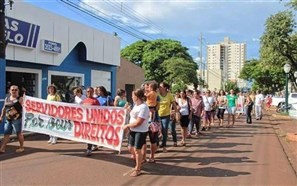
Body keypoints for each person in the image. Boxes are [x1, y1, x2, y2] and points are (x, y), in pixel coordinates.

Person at [122, 89, 149, 177]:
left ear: (137, 97)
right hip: (133, 130)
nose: (131, 97)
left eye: (133, 95)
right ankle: (141, 158)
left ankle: (138, 169)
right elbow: (133, 115)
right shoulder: (135, 105)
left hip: (140, 131)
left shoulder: (144, 107)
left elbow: (138, 122)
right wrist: (128, 110)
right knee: (130, 148)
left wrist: (127, 126)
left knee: (137, 150)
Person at [0, 85, 25, 153]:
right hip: (8, 119)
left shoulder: (20, 98)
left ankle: (21, 147)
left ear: (18, 91)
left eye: (15, 90)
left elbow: (26, 107)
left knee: (18, 133)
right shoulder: (7, 98)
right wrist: (1, 116)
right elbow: (4, 108)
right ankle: (2, 148)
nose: (14, 91)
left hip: (17, 119)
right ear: (9, 91)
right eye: (12, 90)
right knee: (6, 134)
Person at [158, 82, 177, 153]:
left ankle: (164, 146)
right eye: (159, 87)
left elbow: (174, 105)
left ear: (165, 88)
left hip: (166, 115)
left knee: (164, 130)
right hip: (157, 115)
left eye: (161, 86)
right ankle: (156, 145)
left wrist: (176, 112)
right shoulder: (157, 95)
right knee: (156, 131)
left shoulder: (169, 95)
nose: (159, 88)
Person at [82, 87, 100, 156]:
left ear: (92, 92)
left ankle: (89, 149)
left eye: (90, 91)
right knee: (89, 135)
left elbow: (100, 111)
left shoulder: (95, 101)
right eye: (87, 91)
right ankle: (94, 145)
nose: (88, 93)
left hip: (93, 121)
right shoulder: (85, 101)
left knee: (91, 135)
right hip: (86, 121)